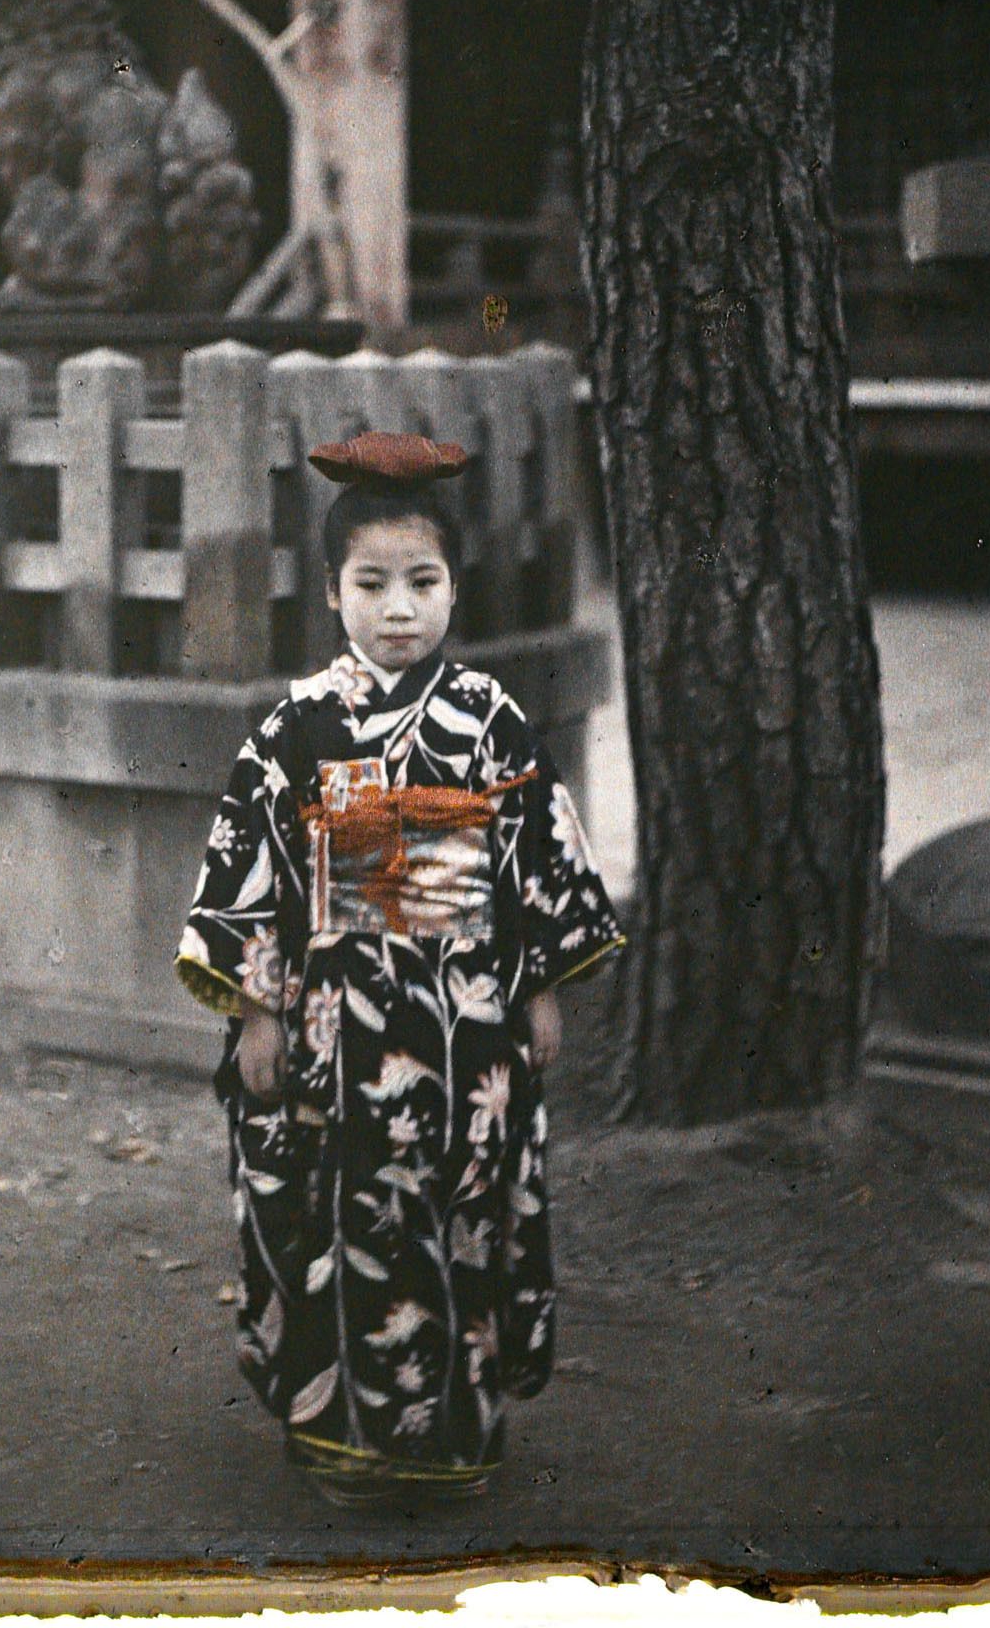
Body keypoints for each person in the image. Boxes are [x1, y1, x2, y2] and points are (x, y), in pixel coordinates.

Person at [174, 429, 626, 1507]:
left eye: (422, 581)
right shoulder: (296, 727)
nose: (398, 607)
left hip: (467, 1018)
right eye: (371, 582)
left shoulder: (490, 718)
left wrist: (543, 986)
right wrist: (259, 1012)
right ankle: (349, 1443)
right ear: (332, 592)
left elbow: (536, 858)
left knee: (462, 1205)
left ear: (453, 589)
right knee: (350, 1216)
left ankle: (458, 1435)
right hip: (342, 1021)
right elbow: (254, 876)